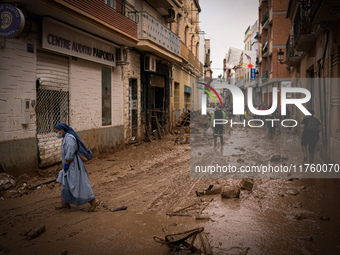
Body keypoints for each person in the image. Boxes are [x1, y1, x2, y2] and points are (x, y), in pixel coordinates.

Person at [54, 123, 100, 212]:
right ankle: (64, 203)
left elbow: (70, 152)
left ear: (62, 130)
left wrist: (67, 162)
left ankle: (93, 201)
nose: (56, 134)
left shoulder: (69, 138)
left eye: (57, 132)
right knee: (65, 184)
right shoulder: (65, 138)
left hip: (73, 165)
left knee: (80, 184)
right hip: (69, 165)